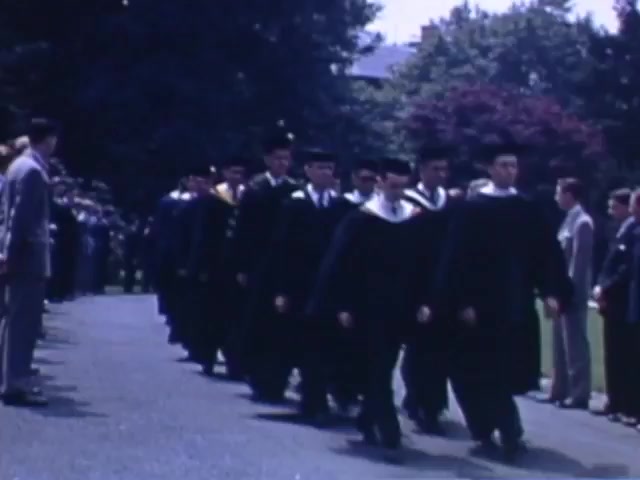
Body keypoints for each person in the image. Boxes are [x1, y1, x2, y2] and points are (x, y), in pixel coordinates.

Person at [434, 140, 568, 461]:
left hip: (514, 303)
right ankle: (486, 428)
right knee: (474, 371)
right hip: (478, 307)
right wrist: (462, 300)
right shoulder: (472, 209)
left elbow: (546, 255)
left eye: (514, 165)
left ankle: (508, 431)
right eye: (504, 165)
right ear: (491, 169)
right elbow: (457, 259)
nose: (510, 170)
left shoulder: (527, 208)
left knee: (503, 371)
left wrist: (552, 291)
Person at [308, 158, 422, 459]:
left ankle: (368, 417)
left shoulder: (413, 218)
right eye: (393, 186)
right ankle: (388, 425)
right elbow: (339, 265)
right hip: (366, 307)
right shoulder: (361, 219)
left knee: (385, 364)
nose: (398, 193)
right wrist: (342, 304)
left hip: (399, 308)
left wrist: (424, 302)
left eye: (402, 186)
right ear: (381, 183)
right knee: (376, 366)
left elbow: (424, 266)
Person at [401, 144, 460, 435]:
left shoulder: (449, 203)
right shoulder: (408, 202)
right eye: (435, 169)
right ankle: (417, 399)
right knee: (417, 346)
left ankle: (434, 404)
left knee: (439, 349)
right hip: (415, 284)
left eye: (444, 169)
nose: (441, 174)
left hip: (444, 285)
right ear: (421, 170)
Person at [0, 118, 59, 407]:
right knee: (24, 321)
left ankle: (10, 375)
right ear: (47, 139)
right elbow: (20, 218)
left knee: (14, 319)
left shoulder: (17, 166)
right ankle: (16, 381)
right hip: (28, 254)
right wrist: (10, 253)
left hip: (20, 252)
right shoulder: (33, 171)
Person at [592, 188, 637, 425]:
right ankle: (615, 400)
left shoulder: (634, 231)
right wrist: (600, 285)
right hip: (612, 299)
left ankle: (627, 403)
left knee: (625, 354)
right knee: (613, 352)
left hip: (622, 300)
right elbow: (609, 262)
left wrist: (606, 287)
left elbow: (626, 268)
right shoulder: (620, 229)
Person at [549, 178, 594, 410]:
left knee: (575, 342)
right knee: (560, 342)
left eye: (559, 192)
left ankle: (579, 393)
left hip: (572, 293)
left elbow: (579, 264)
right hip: (561, 290)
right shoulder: (569, 220)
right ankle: (559, 388)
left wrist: (569, 292)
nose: (556, 197)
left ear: (569, 195)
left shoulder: (582, 222)